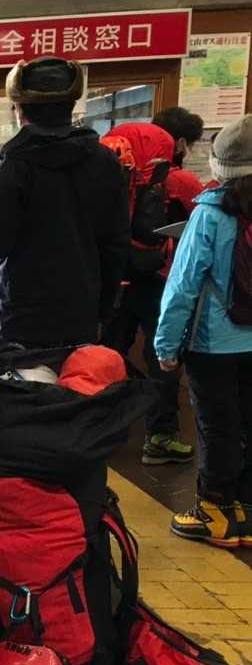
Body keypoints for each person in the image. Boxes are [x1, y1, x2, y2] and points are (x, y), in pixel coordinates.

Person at [0, 56, 131, 351]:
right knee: (76, 379)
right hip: (82, 311)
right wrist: (102, 311)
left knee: (20, 380)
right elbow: (116, 244)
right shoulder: (104, 161)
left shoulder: (17, 165)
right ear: (70, 106)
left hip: (23, 316)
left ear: (20, 109)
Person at [156, 115, 252, 547]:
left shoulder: (210, 214)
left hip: (214, 343)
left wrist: (166, 344)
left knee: (218, 426)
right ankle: (247, 511)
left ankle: (215, 513)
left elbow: (183, 286)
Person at [101, 122, 194, 466]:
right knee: (163, 358)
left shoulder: (107, 178)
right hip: (158, 282)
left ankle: (101, 427)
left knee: (106, 356)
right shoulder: (179, 181)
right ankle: (160, 437)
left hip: (115, 280)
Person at [154, 106, 207, 213]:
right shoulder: (181, 179)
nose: (192, 150)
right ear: (181, 143)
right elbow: (205, 215)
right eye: (191, 145)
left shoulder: (137, 168)